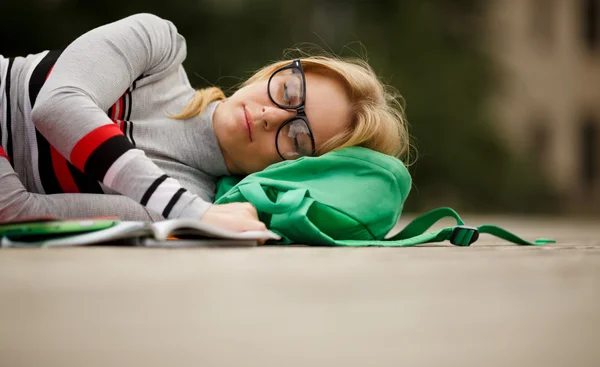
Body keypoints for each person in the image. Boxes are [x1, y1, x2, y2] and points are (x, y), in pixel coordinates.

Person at [0, 13, 409, 232]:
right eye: (288, 93)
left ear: (292, 167)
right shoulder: (156, 47)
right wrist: (188, 212)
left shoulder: (181, 205)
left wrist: (188, 212)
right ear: (273, 71)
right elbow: (57, 106)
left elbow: (16, 211)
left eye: (298, 138)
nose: (271, 116)